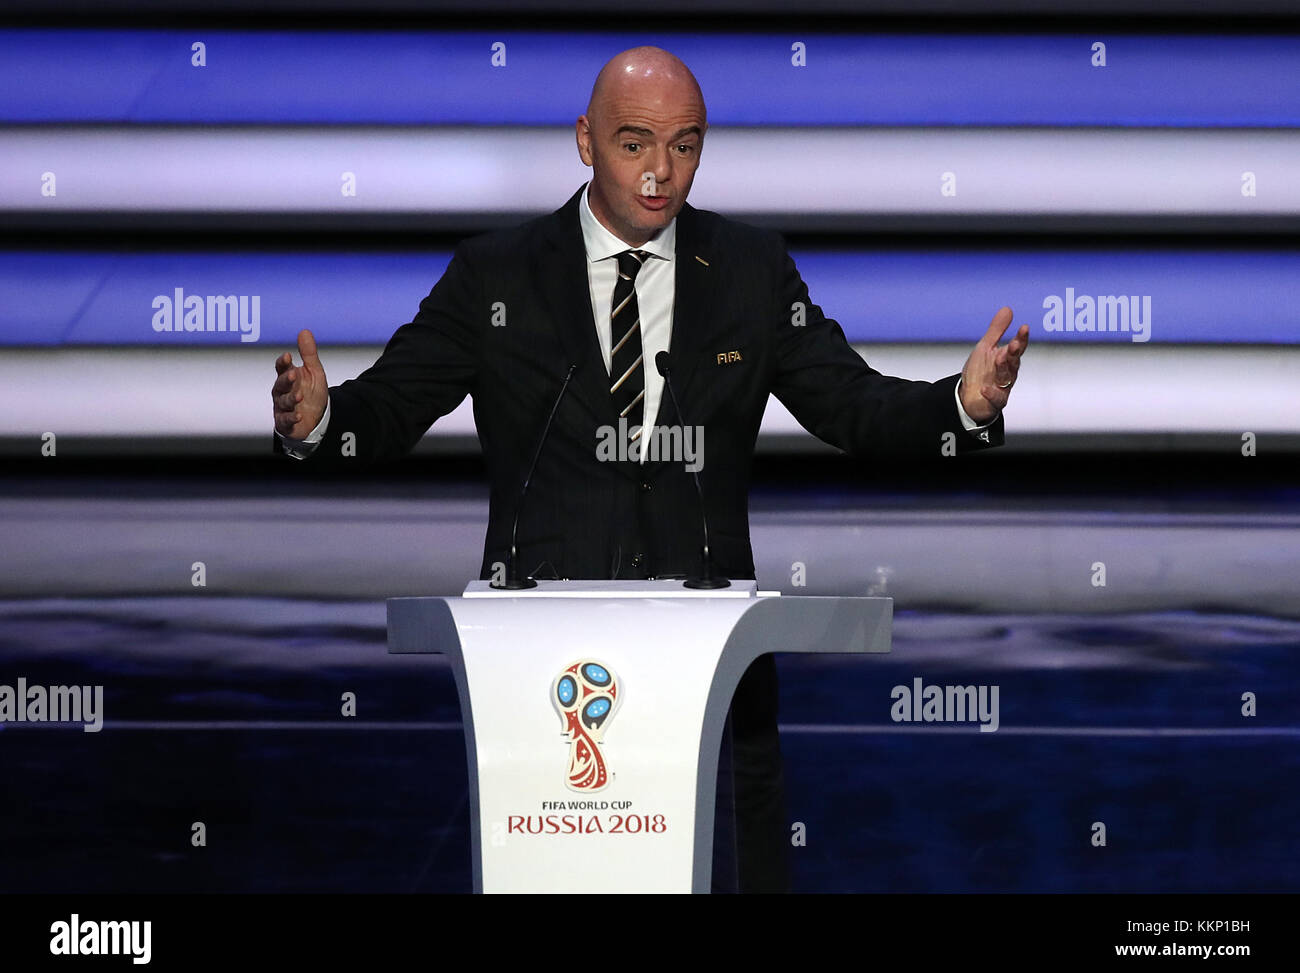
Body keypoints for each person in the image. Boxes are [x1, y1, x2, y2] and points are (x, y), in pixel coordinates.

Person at [270, 46, 1028, 892]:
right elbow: (391, 407)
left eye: (686, 145)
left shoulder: (749, 269)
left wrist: (960, 407)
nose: (663, 173)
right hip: (543, 670)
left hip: (712, 673)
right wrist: (323, 419)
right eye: (635, 144)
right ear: (586, 142)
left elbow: (853, 406)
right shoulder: (499, 274)